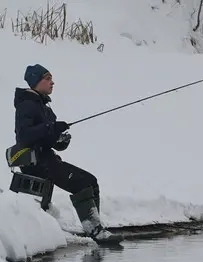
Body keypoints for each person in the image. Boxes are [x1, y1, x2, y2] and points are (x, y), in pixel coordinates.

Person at [13, 64, 123, 244]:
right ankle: (95, 231)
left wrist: (59, 140)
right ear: (36, 81)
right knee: (81, 183)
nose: (52, 82)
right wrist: (51, 128)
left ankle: (96, 227)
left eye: (51, 79)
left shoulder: (45, 108)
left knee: (91, 181)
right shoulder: (26, 104)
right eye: (47, 79)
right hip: (35, 162)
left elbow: (47, 139)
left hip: (47, 159)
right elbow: (24, 135)